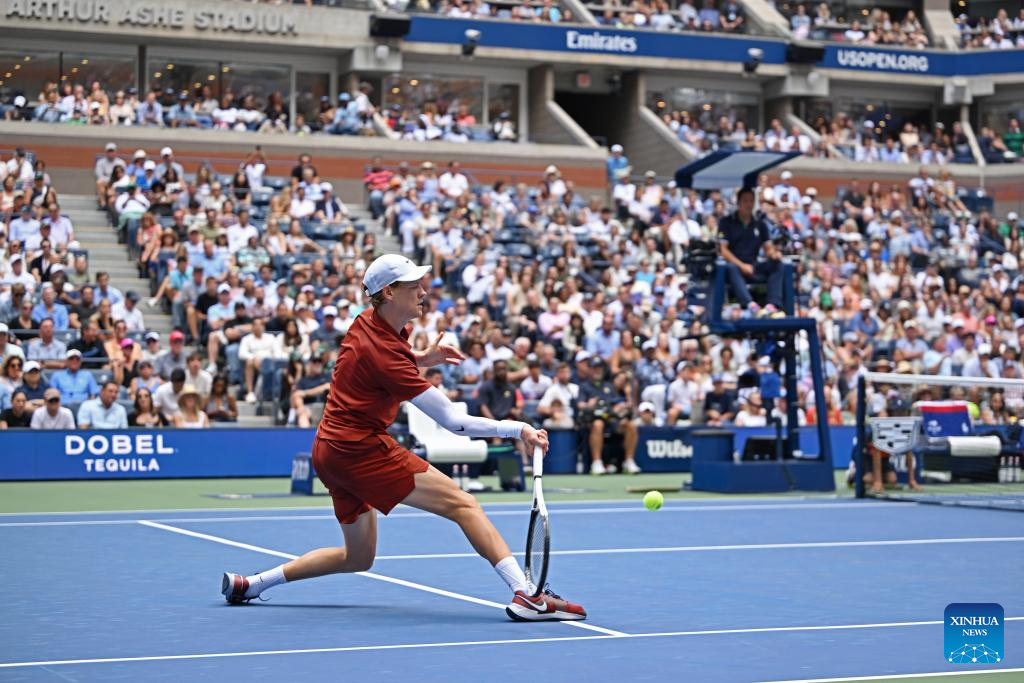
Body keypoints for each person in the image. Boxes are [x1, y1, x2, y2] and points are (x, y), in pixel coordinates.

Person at [222, 254, 585, 621]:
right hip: (360, 449)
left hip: (329, 451)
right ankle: (527, 595)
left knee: (358, 558)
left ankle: (251, 584)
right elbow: (454, 421)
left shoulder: (367, 323)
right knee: (463, 504)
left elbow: (384, 362)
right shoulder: (385, 354)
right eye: (414, 286)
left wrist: (422, 358)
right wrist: (517, 428)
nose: (423, 292)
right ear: (389, 292)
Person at [718, 187, 784, 313]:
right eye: (745, 201)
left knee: (778, 265)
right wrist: (742, 266)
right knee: (731, 267)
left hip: (753, 266)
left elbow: (768, 249)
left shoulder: (760, 224)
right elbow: (723, 250)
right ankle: (750, 304)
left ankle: (772, 304)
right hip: (735, 267)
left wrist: (774, 254)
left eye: (751, 201)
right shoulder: (726, 222)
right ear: (738, 203)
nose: (749, 204)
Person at [577, 356, 640, 475]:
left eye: (599, 368)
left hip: (611, 419)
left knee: (630, 425)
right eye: (595, 368)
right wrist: (588, 404)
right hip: (593, 421)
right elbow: (580, 404)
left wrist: (621, 406)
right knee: (598, 424)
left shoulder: (609, 386)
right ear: (590, 369)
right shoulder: (584, 386)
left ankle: (629, 461)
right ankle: (597, 463)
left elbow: (616, 403)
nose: (597, 371)